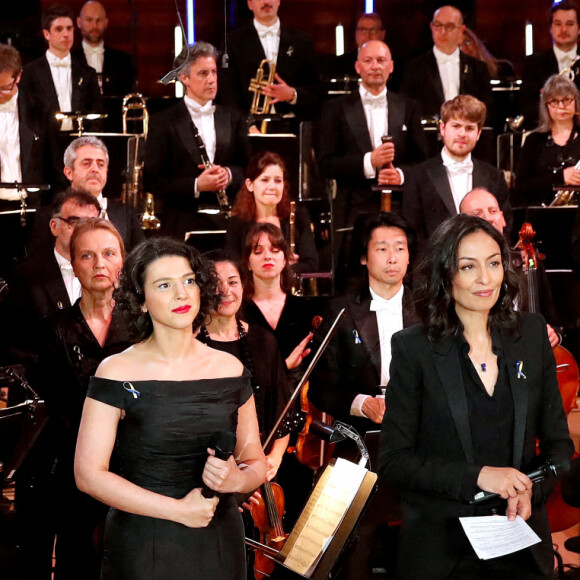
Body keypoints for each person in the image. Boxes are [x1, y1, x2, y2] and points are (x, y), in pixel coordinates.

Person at [379, 214, 574, 580]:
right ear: (445, 274)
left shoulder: (531, 335)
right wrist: (479, 476)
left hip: (522, 546)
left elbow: (559, 447)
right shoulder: (413, 348)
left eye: (494, 263)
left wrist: (531, 488)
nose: (486, 279)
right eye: (469, 267)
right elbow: (394, 461)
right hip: (443, 553)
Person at [74, 237, 267, 579]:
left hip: (219, 540)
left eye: (189, 281)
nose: (182, 294)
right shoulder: (116, 371)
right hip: (144, 541)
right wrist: (178, 510)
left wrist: (238, 478)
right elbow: (88, 475)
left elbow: (255, 462)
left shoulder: (230, 369)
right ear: (141, 300)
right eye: (164, 285)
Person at [308, 212, 419, 579]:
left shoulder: (430, 308)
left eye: (400, 248)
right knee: (359, 539)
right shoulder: (340, 310)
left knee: (419, 537)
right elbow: (323, 387)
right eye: (382, 248)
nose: (392, 257)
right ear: (363, 256)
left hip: (420, 439)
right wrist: (362, 403)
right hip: (360, 440)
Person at [37, 218, 130, 579]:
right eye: (87, 256)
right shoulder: (52, 330)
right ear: (73, 265)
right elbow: (58, 410)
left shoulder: (143, 325)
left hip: (137, 470)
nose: (99, 264)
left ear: (122, 261)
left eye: (108, 254)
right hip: (78, 472)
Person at [319, 39, 427, 285]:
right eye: (368, 61)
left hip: (400, 209)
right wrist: (369, 161)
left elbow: (423, 162)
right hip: (352, 212)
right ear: (357, 67)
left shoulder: (410, 106)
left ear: (391, 66)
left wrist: (400, 175)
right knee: (353, 283)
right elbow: (326, 164)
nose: (375, 66)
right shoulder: (334, 109)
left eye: (381, 60)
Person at [197, 251, 291, 482]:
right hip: (209, 473)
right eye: (215, 284)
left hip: (265, 471)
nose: (226, 291)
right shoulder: (191, 345)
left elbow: (283, 408)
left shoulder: (264, 340)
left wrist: (274, 459)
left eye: (233, 282)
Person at [144, 42, 249, 240]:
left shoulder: (234, 118)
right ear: (184, 78)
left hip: (228, 220)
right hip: (181, 221)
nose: (211, 80)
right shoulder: (164, 121)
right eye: (203, 73)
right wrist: (196, 185)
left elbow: (247, 168)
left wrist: (228, 174)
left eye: (214, 72)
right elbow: (152, 180)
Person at [2, 188, 101, 370]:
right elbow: (9, 343)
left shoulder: (110, 273)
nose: (83, 231)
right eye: (74, 222)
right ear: (54, 226)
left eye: (91, 224)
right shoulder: (26, 276)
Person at [402, 95, 509, 257]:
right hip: (434, 269)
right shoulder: (418, 176)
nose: (462, 134)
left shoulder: (495, 177)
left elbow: (504, 227)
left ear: (479, 133)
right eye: (456, 126)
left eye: (469, 128)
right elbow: (412, 233)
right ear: (443, 128)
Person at [460, 187, 561, 348]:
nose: (488, 218)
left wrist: (554, 335)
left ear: (502, 219)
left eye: (493, 211)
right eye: (477, 214)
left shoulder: (527, 262)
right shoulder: (457, 270)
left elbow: (553, 321)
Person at [29, 136, 145, 254]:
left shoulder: (126, 214)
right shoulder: (46, 216)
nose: (95, 169)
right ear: (69, 173)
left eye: (100, 164)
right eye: (86, 164)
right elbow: (38, 265)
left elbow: (141, 261)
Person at [218, 0, 322, 131]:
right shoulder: (232, 42)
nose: (266, 1)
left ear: (279, 1)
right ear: (250, 4)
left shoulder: (302, 41)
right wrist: (247, 125)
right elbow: (228, 93)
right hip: (249, 130)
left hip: (291, 128)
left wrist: (292, 94)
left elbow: (316, 90)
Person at [225, 150, 318, 274]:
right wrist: (281, 266)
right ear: (250, 185)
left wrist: (262, 266)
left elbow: (311, 264)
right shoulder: (236, 223)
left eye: (278, 180)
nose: (272, 187)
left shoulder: (298, 216)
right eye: (265, 180)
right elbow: (232, 268)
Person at [400, 5, 492, 124]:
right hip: (428, 139)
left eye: (449, 26)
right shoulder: (414, 68)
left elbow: (487, 112)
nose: (442, 32)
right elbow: (407, 112)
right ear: (431, 27)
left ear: (461, 30)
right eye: (438, 25)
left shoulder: (478, 69)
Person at [0, 43, 64, 207]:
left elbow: (55, 167)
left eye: (4, 89)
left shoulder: (41, 109)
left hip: (32, 205)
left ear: (19, 77)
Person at [19, 4, 101, 131]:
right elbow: (26, 116)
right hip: (43, 147)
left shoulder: (87, 73)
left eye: (69, 28)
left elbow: (96, 114)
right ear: (47, 34)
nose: (66, 34)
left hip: (79, 144)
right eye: (59, 29)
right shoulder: (30, 73)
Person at [515, 74, 580, 206]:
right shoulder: (533, 141)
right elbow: (521, 187)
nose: (561, 106)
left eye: (567, 99)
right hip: (543, 216)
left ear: (576, 102)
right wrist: (561, 177)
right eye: (554, 101)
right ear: (546, 106)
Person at [520, 1, 580, 130]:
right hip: (545, 132)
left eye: (570, 24)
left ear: (579, 28)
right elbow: (527, 105)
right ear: (550, 29)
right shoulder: (534, 63)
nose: (564, 29)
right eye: (558, 24)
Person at [74, 1, 134, 96]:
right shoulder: (69, 59)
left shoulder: (123, 61)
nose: (94, 26)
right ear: (78, 22)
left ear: (106, 23)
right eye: (89, 20)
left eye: (99, 20)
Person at [331, 12, 385, 79]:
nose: (368, 35)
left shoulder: (395, 66)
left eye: (373, 30)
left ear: (382, 34)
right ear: (356, 33)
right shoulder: (339, 64)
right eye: (363, 30)